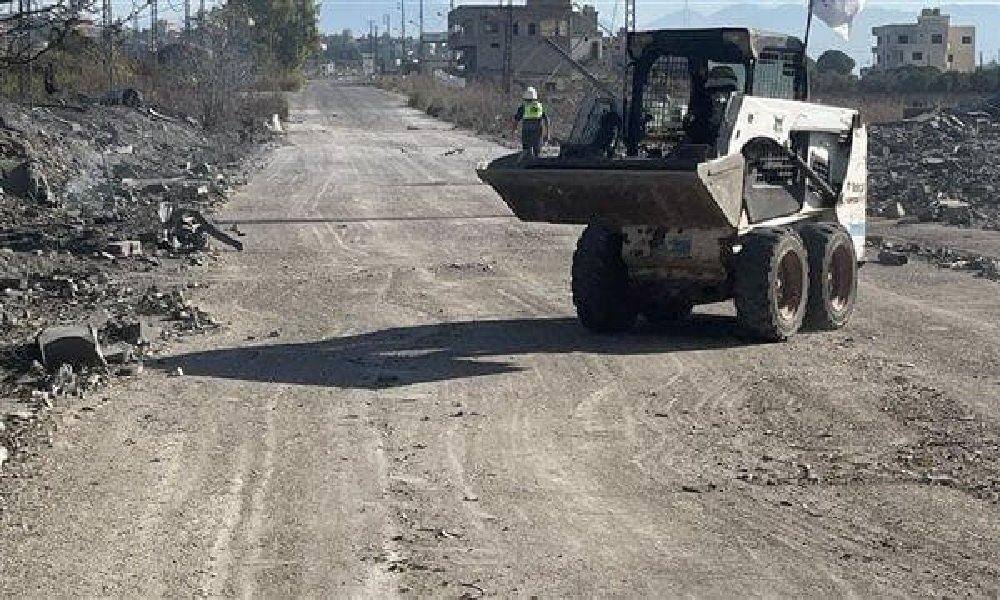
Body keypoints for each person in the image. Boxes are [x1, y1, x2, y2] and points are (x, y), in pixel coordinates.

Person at [513, 86, 549, 159]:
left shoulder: (523, 107)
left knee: (526, 150)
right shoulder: (540, 106)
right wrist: (547, 133)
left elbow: (516, 120)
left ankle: (527, 165)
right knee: (537, 150)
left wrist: (514, 130)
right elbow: (546, 120)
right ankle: (536, 165)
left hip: (527, 130)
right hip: (538, 130)